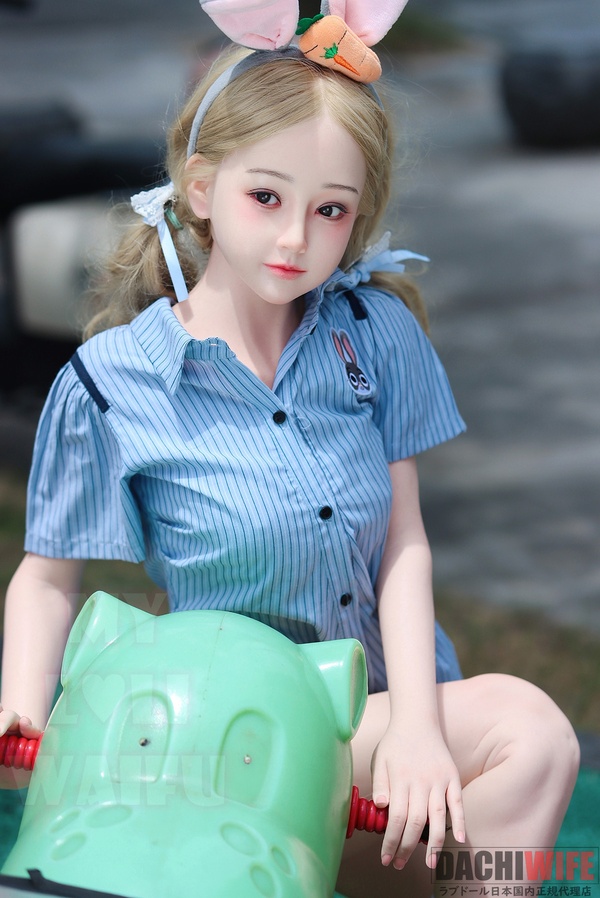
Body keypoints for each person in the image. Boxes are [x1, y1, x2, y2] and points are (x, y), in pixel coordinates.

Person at [1, 5, 579, 895]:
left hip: (365, 731)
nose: (296, 238)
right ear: (202, 188)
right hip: (221, 745)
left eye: (331, 209)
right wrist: (21, 709)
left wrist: (418, 727)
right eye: (265, 197)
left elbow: (404, 544)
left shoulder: (374, 334)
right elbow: (46, 579)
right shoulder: (112, 384)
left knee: (533, 734)